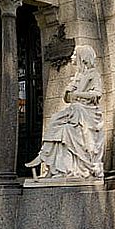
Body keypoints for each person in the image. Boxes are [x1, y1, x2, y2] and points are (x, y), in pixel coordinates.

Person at [25, 45, 105, 179]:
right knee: (57, 124)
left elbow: (97, 93)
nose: (72, 57)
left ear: (82, 58)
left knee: (66, 129)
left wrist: (79, 94)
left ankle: (61, 168)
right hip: (75, 111)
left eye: (75, 55)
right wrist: (68, 91)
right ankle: (48, 161)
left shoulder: (93, 75)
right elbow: (67, 99)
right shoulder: (77, 76)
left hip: (86, 113)